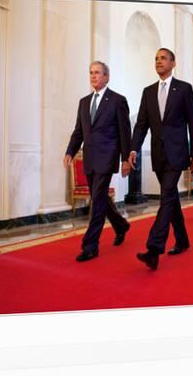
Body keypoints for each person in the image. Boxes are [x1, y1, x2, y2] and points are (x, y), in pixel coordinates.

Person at [128, 48, 193, 270]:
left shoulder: (184, 89)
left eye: (163, 58)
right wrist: (133, 149)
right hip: (158, 154)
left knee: (166, 195)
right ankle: (183, 239)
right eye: (156, 58)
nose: (159, 61)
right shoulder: (148, 92)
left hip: (178, 153)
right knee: (171, 199)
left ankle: (154, 248)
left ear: (173, 63)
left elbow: (192, 124)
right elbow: (141, 124)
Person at [64, 61, 132, 262]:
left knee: (97, 199)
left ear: (106, 77)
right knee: (99, 197)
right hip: (90, 158)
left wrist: (126, 159)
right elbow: (79, 131)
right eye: (91, 73)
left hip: (107, 156)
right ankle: (120, 225)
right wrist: (70, 151)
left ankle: (90, 245)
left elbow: (124, 133)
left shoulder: (118, 101)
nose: (93, 76)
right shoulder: (84, 102)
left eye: (97, 73)